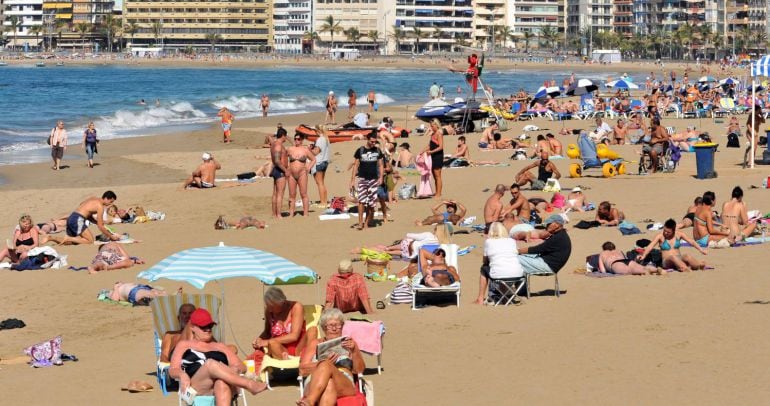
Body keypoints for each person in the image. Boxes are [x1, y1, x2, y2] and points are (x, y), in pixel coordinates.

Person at [170, 309, 266, 404]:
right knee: (210, 364)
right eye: (204, 326)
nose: (208, 329)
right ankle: (249, 384)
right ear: (192, 327)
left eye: (210, 326)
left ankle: (245, 384)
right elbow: (173, 369)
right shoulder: (184, 345)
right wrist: (182, 375)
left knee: (221, 382)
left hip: (224, 385)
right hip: (198, 387)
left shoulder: (220, 346)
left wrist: (230, 370)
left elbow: (241, 366)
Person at [297, 308, 366, 406]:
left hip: (343, 381)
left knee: (326, 364)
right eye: (330, 325)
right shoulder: (315, 343)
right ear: (324, 328)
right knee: (329, 383)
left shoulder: (349, 343)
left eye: (338, 325)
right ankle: (311, 399)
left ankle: (310, 400)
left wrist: (354, 350)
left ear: (342, 326)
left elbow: (359, 370)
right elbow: (302, 370)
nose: (334, 329)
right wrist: (321, 364)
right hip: (314, 381)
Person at [474, 222, 524, 304]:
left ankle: (480, 298)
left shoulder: (489, 241)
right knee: (501, 266)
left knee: (484, 268)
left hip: (499, 273)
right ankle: (504, 298)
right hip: (518, 273)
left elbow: (485, 260)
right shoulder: (512, 241)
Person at [252, 288, 308, 360]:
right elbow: (267, 332)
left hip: (297, 347)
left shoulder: (296, 307)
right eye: (268, 306)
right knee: (271, 345)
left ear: (282, 303)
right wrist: (259, 340)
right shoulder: (269, 311)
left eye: (272, 306)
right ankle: (285, 361)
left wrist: (266, 342)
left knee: (312, 330)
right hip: (278, 347)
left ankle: (289, 362)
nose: (269, 310)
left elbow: (294, 336)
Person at [48, 191, 120, 245]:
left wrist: (95, 221)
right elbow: (100, 226)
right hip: (78, 219)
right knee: (90, 241)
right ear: (106, 198)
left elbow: (83, 207)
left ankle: (51, 238)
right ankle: (69, 238)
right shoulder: (100, 206)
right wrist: (111, 237)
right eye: (110, 202)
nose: (110, 204)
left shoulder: (93, 198)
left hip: (72, 217)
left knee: (71, 242)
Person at [639, 219, 707, 272]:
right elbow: (651, 246)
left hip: (679, 258)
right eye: (664, 230)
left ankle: (698, 265)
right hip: (667, 261)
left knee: (686, 256)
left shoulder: (679, 234)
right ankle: (685, 268)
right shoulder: (660, 236)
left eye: (668, 232)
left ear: (674, 230)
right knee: (673, 257)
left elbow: (691, 241)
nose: (665, 233)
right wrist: (643, 255)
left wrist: (701, 250)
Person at [350, 133, 384, 230]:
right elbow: (355, 166)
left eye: (375, 142)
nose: (373, 143)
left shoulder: (377, 150)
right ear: (367, 139)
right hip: (362, 179)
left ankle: (366, 223)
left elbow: (381, 165)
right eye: (371, 141)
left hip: (374, 179)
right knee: (361, 201)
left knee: (371, 203)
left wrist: (381, 177)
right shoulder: (360, 150)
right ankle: (360, 223)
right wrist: (352, 180)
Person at [286, 134, 316, 217]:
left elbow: (313, 159)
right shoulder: (290, 149)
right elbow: (284, 158)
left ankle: (305, 213)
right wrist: (286, 169)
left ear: (302, 140)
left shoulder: (305, 150)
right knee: (292, 195)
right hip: (291, 174)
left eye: (298, 139)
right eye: (295, 139)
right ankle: (291, 213)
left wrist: (309, 167)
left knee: (303, 194)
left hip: (302, 174)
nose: (296, 140)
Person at [422, 118, 444, 199]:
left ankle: (439, 194)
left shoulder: (439, 133)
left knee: (438, 176)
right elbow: (429, 145)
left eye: (432, 126)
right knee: (434, 175)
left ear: (436, 125)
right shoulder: (433, 134)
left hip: (438, 156)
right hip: (433, 156)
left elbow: (441, 147)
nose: (431, 127)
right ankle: (437, 192)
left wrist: (431, 152)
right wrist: (422, 151)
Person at [271, 129, 289, 219]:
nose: (286, 138)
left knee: (275, 193)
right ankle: (278, 214)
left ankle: (274, 214)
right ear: (283, 135)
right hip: (279, 170)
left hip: (276, 169)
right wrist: (285, 170)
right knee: (280, 194)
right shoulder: (278, 145)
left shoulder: (274, 143)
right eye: (286, 136)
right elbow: (277, 160)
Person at [311, 125, 331, 208]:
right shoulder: (326, 139)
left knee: (319, 183)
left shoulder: (320, 139)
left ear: (317, 131)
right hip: (325, 161)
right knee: (322, 182)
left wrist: (309, 150)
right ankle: (324, 200)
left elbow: (316, 152)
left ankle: (323, 202)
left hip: (319, 162)